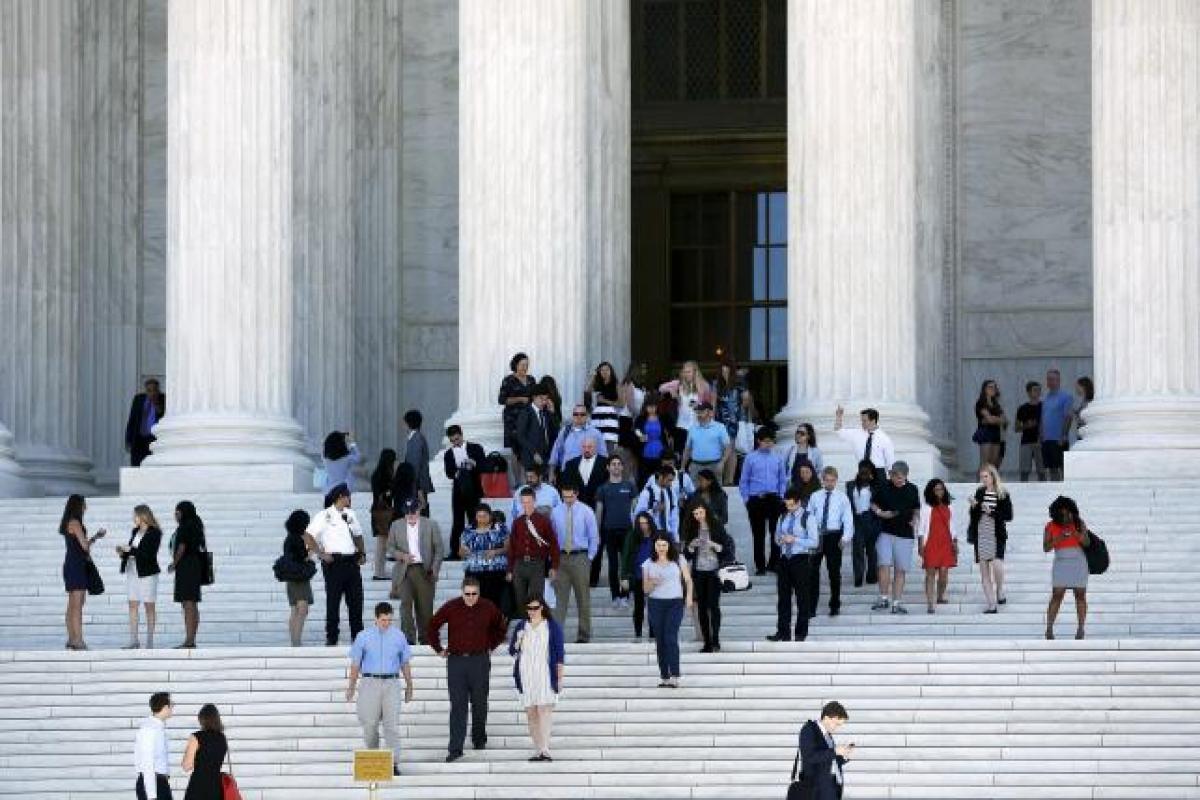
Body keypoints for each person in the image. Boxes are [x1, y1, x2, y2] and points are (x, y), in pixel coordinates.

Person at [428, 577, 508, 762]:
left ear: (479, 593)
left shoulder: (488, 607)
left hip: (479, 661)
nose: (471, 598)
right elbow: (433, 626)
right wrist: (439, 649)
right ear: (461, 592)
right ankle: (455, 748)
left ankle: (479, 738)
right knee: (458, 706)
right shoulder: (451, 606)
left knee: (480, 703)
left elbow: (501, 627)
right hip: (456, 662)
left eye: (474, 594)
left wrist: (490, 645)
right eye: (467, 594)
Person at [346, 602, 415, 777]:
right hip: (370, 682)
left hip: (391, 683)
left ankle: (393, 763)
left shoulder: (399, 636)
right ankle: (373, 757)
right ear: (375, 618)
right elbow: (355, 663)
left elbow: (404, 662)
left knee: (391, 725)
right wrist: (351, 686)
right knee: (369, 724)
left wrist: (409, 685)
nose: (386, 623)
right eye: (383, 620)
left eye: (389, 620)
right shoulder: (363, 636)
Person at [304, 484, 366, 646]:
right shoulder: (324, 516)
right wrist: (321, 554)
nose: (349, 499)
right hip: (334, 563)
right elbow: (308, 536)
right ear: (340, 497)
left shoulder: (350, 514)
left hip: (351, 562)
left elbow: (358, 535)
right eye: (347, 496)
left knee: (356, 601)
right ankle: (332, 637)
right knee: (333, 601)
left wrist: (362, 552)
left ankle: (358, 636)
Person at [509, 593, 565, 762]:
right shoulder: (521, 627)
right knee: (531, 712)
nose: (532, 611)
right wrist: (518, 641)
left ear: (542, 608)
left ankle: (545, 749)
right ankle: (538, 749)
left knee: (544, 710)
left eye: (535, 608)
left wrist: (559, 677)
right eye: (529, 608)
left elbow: (559, 653)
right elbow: (513, 651)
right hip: (526, 675)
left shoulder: (551, 626)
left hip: (544, 674)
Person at [386, 498, 445, 645]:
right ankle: (408, 638)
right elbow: (390, 548)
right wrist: (402, 556)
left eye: (413, 512)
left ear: (419, 510)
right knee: (405, 604)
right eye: (407, 513)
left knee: (425, 607)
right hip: (403, 570)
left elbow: (439, 549)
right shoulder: (396, 525)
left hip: (424, 570)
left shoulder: (431, 524)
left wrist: (435, 569)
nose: (410, 515)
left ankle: (425, 638)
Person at [680, 502, 734, 652]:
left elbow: (726, 550)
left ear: (706, 512)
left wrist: (713, 545)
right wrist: (691, 546)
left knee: (714, 606)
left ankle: (715, 639)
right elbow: (686, 555)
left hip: (715, 572)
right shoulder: (691, 529)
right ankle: (707, 642)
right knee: (702, 608)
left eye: (700, 513)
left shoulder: (716, 527)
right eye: (695, 514)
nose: (698, 516)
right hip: (698, 572)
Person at [550, 482, 599, 643]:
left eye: (570, 496)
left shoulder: (586, 511)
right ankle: (556, 635)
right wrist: (553, 560)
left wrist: (589, 558)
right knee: (560, 600)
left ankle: (584, 635)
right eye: (564, 497)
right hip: (561, 557)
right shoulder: (556, 512)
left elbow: (594, 536)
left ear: (576, 494)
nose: (568, 500)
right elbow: (553, 537)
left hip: (580, 557)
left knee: (583, 598)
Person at [642, 534, 694, 687]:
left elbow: (688, 580)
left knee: (670, 637)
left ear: (669, 545)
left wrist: (689, 597)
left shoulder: (679, 559)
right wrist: (652, 582)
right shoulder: (648, 563)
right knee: (660, 640)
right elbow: (645, 589)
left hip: (675, 603)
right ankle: (664, 676)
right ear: (654, 546)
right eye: (658, 545)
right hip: (655, 603)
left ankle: (675, 675)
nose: (661, 548)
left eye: (664, 545)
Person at [769, 487, 818, 642]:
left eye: (791, 505)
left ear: (798, 503)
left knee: (802, 597)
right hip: (784, 559)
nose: (788, 507)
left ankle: (800, 633)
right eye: (786, 504)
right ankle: (782, 631)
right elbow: (776, 537)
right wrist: (781, 539)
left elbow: (814, 542)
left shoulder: (808, 517)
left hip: (800, 559)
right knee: (783, 598)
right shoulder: (783, 517)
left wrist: (795, 539)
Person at [870, 461, 920, 614]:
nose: (897, 479)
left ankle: (896, 603)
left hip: (905, 534)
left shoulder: (912, 489)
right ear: (891, 475)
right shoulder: (883, 486)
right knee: (883, 564)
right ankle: (884, 598)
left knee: (900, 569)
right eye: (895, 476)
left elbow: (916, 508)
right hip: (885, 531)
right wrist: (880, 513)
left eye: (901, 477)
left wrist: (915, 519)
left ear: (906, 476)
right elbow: (873, 503)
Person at [805, 467, 855, 618]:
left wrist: (845, 538)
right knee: (812, 572)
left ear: (836, 480)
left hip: (834, 536)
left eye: (832, 480)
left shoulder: (842, 498)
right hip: (817, 536)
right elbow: (809, 517)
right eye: (827, 480)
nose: (829, 483)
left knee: (834, 573)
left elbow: (848, 519)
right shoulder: (815, 496)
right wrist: (810, 537)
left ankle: (834, 605)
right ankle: (811, 607)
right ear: (822, 480)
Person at [60, 494, 105, 650]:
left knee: (73, 604)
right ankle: (78, 640)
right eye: (84, 505)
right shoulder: (75, 523)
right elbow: (84, 546)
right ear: (78, 506)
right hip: (77, 565)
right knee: (78, 604)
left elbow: (82, 545)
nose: (86, 507)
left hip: (71, 563)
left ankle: (72, 638)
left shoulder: (69, 522)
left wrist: (95, 537)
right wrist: (91, 539)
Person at [739, 428, 787, 576]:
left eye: (771, 441)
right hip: (756, 499)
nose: (769, 444)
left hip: (774, 498)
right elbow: (744, 480)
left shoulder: (778, 458)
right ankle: (760, 565)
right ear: (759, 441)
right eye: (766, 441)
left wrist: (781, 496)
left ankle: (774, 563)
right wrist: (747, 500)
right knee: (758, 534)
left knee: (776, 532)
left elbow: (782, 480)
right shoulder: (750, 458)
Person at [967, 464, 1014, 614]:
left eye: (986, 476)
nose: (983, 479)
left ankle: (999, 590)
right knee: (984, 571)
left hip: (996, 533)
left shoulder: (1003, 493)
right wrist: (974, 506)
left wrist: (991, 511)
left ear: (993, 476)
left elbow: (1008, 516)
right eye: (981, 477)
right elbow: (974, 515)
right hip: (981, 534)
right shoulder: (980, 492)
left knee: (997, 564)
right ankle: (991, 605)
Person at [505, 488, 560, 613]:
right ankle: (525, 628)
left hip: (537, 564)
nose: (526, 504)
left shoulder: (543, 521)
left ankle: (536, 627)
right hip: (519, 565)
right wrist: (509, 569)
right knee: (520, 599)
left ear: (534, 501)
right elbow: (512, 547)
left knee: (536, 599)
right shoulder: (517, 522)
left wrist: (554, 566)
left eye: (529, 501)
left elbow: (553, 545)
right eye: (523, 502)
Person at [1044, 495, 1091, 640]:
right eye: (1062, 514)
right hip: (1061, 562)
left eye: (1068, 512)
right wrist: (1059, 538)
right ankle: (1049, 628)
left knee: (1080, 595)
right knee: (1057, 595)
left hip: (1079, 562)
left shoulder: (1079, 523)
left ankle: (1081, 629)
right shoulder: (1050, 526)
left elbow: (1087, 543)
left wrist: (1075, 533)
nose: (1065, 516)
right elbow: (1046, 547)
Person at [117, 505, 162, 649]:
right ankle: (134, 640)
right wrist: (123, 553)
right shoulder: (135, 531)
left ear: (143, 516)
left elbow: (148, 554)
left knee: (149, 605)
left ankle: (149, 642)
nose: (133, 518)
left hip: (147, 573)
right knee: (132, 604)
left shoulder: (155, 532)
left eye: (135, 515)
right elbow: (134, 552)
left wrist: (131, 549)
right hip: (132, 571)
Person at [593, 454, 636, 603]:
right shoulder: (603, 489)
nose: (616, 466)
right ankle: (615, 595)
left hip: (627, 531)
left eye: (619, 464)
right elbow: (599, 511)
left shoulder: (629, 486)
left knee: (626, 564)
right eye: (613, 464)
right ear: (608, 467)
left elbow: (635, 509)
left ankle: (626, 594)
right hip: (609, 531)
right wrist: (597, 533)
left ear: (622, 467)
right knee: (613, 564)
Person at [443, 425, 486, 560]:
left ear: (461, 435)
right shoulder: (449, 453)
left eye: (457, 439)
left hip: (473, 488)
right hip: (458, 490)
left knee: (475, 519)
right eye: (453, 441)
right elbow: (449, 473)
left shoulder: (475, 448)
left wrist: (474, 463)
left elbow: (484, 465)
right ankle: (455, 551)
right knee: (458, 521)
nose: (456, 443)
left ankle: (476, 549)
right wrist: (457, 471)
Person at [796, 701, 853, 800]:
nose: (837, 728)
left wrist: (843, 756)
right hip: (817, 789)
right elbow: (809, 757)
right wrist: (835, 751)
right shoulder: (809, 729)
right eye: (836, 724)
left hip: (832, 786)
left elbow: (829, 760)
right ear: (826, 718)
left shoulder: (827, 735)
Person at [459, 505, 510, 616]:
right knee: (476, 603)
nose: (481, 519)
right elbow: (461, 552)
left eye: (484, 516)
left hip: (495, 571)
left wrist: (495, 552)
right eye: (479, 516)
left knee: (494, 602)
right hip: (473, 571)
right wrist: (464, 551)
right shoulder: (468, 530)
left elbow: (508, 547)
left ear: (490, 516)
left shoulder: (500, 528)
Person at [917, 479, 958, 614]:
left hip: (946, 543)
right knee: (930, 574)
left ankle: (940, 596)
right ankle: (930, 603)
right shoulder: (926, 507)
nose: (939, 492)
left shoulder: (949, 505)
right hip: (931, 543)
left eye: (941, 489)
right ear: (931, 491)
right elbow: (921, 527)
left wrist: (955, 542)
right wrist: (920, 544)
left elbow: (952, 526)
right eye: (936, 490)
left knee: (943, 574)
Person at [169, 501, 205, 649]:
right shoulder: (196, 525)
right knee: (192, 603)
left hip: (186, 566)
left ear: (183, 512)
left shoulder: (185, 526)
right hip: (194, 565)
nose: (175, 515)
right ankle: (191, 638)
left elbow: (182, 547)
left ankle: (189, 640)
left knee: (188, 603)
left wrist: (174, 563)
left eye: (177, 512)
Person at [658, 360, 711, 457]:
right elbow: (661, 388)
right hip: (681, 426)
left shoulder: (704, 386)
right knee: (681, 455)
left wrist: (699, 407)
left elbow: (708, 407)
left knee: (695, 455)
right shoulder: (679, 384)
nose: (686, 374)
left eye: (689, 372)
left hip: (697, 426)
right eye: (685, 372)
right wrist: (672, 392)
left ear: (695, 372)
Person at [499, 351, 538, 481]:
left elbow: (535, 397)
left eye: (527, 365)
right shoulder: (508, 380)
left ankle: (528, 479)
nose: (524, 368)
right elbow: (502, 400)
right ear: (515, 365)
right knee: (516, 450)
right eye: (522, 365)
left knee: (527, 448)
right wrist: (520, 399)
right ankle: (517, 481)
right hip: (513, 420)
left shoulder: (531, 379)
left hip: (528, 418)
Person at [621, 513, 660, 640]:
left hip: (654, 577)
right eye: (641, 523)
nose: (643, 526)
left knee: (654, 607)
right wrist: (624, 576)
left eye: (645, 523)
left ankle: (653, 635)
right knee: (638, 606)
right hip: (638, 576)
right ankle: (638, 634)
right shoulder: (632, 536)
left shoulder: (657, 536)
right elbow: (626, 556)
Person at [548, 405, 609, 482]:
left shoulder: (595, 433)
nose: (578, 416)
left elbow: (603, 456)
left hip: (588, 475)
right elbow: (555, 453)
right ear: (572, 416)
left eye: (582, 414)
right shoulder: (565, 431)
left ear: (587, 416)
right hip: (567, 474)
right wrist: (551, 473)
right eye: (576, 414)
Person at [181, 703, 228, 800]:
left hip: (198, 787)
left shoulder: (196, 737)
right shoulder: (222, 738)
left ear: (202, 719)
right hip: (216, 788)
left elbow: (186, 766)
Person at [834, 406, 895, 480]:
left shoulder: (885, 439)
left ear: (873, 421)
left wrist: (891, 480)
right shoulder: (856, 434)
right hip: (862, 472)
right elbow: (839, 431)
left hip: (879, 474)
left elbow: (890, 462)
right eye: (861, 420)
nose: (862, 423)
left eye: (864, 421)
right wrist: (839, 417)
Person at [846, 460, 881, 588]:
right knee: (857, 550)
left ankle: (872, 576)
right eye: (862, 470)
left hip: (871, 519)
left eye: (867, 471)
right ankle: (858, 577)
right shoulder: (850, 485)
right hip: (857, 519)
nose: (864, 473)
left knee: (871, 550)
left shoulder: (875, 486)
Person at [712, 358, 747, 484]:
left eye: (727, 368)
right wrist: (711, 418)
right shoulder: (716, 384)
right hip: (720, 420)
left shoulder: (739, 383)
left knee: (731, 449)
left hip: (734, 420)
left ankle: (729, 479)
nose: (724, 370)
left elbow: (745, 400)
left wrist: (741, 415)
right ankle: (721, 479)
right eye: (722, 368)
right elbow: (713, 402)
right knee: (721, 448)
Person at [281, 510, 313, 646]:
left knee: (295, 609)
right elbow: (303, 557)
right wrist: (310, 549)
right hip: (299, 578)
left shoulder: (290, 538)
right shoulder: (296, 539)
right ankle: (296, 642)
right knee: (302, 608)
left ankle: (295, 641)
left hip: (292, 577)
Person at [681, 401, 732, 486]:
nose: (698, 414)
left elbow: (728, 447)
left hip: (714, 466)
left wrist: (722, 462)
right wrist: (682, 467)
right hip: (696, 467)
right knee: (695, 495)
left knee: (715, 495)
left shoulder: (720, 427)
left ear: (710, 413)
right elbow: (687, 449)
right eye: (697, 411)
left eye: (701, 411)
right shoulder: (692, 428)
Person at [134, 691, 173, 800]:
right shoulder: (149, 729)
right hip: (152, 784)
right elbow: (147, 762)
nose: (172, 708)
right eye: (172, 705)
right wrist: (151, 795)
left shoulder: (158, 728)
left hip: (160, 782)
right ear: (165, 707)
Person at [515, 382, 559, 473]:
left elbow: (555, 431)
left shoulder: (546, 412)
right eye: (542, 399)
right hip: (531, 458)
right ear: (534, 397)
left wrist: (552, 413)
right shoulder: (526, 412)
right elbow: (520, 436)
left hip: (546, 456)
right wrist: (534, 453)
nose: (544, 402)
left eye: (546, 399)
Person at [1040, 368, 1074, 481]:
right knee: (1052, 468)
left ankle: (1065, 491)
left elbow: (1068, 417)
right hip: (1046, 440)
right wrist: (1041, 435)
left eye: (1052, 379)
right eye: (1048, 379)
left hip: (1058, 439)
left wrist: (1064, 435)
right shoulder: (1045, 398)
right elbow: (1043, 418)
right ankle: (1055, 491)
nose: (1050, 382)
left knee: (1062, 467)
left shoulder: (1066, 397)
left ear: (1058, 380)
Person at [370, 449, 397, 580]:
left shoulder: (376, 473)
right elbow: (385, 493)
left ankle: (380, 570)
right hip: (383, 512)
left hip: (377, 510)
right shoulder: (385, 475)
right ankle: (379, 572)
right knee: (382, 543)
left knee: (382, 543)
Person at [633, 465, 681, 540]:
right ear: (661, 477)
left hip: (667, 534)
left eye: (672, 480)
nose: (670, 484)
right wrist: (653, 510)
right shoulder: (647, 493)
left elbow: (674, 517)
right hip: (651, 534)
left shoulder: (671, 494)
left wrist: (675, 536)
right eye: (669, 480)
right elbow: (638, 515)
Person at [125, 377, 165, 467]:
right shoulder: (138, 399)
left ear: (158, 390)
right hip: (139, 439)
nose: (152, 393)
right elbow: (132, 419)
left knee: (153, 465)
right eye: (149, 390)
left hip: (154, 440)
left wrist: (156, 404)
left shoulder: (163, 399)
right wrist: (128, 439)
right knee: (136, 465)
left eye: (155, 390)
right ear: (146, 391)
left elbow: (163, 416)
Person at [633, 393, 671, 486]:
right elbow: (635, 430)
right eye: (649, 406)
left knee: (660, 479)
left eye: (654, 406)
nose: (652, 409)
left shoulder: (663, 418)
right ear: (645, 407)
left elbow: (670, 430)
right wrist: (639, 436)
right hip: (644, 453)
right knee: (644, 480)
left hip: (660, 453)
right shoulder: (640, 419)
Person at [560, 434, 609, 508]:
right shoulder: (571, 464)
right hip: (576, 506)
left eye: (589, 447)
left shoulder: (605, 463)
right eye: (584, 447)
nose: (586, 450)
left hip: (599, 505)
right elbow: (566, 484)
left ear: (595, 448)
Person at [584, 361, 622, 451]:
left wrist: (605, 401)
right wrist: (593, 378)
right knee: (595, 446)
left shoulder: (616, 384)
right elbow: (587, 393)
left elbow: (621, 403)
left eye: (607, 370)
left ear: (611, 371)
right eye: (602, 370)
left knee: (608, 447)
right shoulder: (597, 385)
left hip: (609, 419)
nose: (604, 372)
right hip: (597, 418)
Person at [403, 410, 434, 517]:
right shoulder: (416, 437)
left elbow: (415, 464)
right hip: (416, 484)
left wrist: (418, 487)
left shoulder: (416, 438)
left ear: (407, 423)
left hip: (416, 485)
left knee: (418, 514)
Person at [1016, 381, 1046, 481]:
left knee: (1042, 471)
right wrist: (1026, 425)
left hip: (1041, 442)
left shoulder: (1045, 407)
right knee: (1024, 471)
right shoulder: (1022, 408)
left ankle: (1044, 492)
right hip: (1026, 442)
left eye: (1039, 390)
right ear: (1028, 392)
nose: (1037, 392)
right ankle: (1022, 492)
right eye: (1035, 390)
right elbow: (1016, 428)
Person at [974, 380, 1006, 469]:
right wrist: (994, 419)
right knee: (985, 463)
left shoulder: (997, 404)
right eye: (990, 387)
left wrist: (992, 419)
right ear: (984, 389)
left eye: (994, 387)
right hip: (985, 433)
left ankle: (991, 482)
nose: (993, 389)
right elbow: (990, 419)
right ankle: (978, 483)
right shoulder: (981, 403)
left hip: (996, 434)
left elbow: (1005, 420)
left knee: (993, 465)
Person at [1073, 376, 1094, 444]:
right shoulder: (1083, 400)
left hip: (1086, 431)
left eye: (1078, 386)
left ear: (1083, 387)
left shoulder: (1089, 401)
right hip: (1081, 430)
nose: (1076, 388)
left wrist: (1076, 413)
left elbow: (1085, 417)